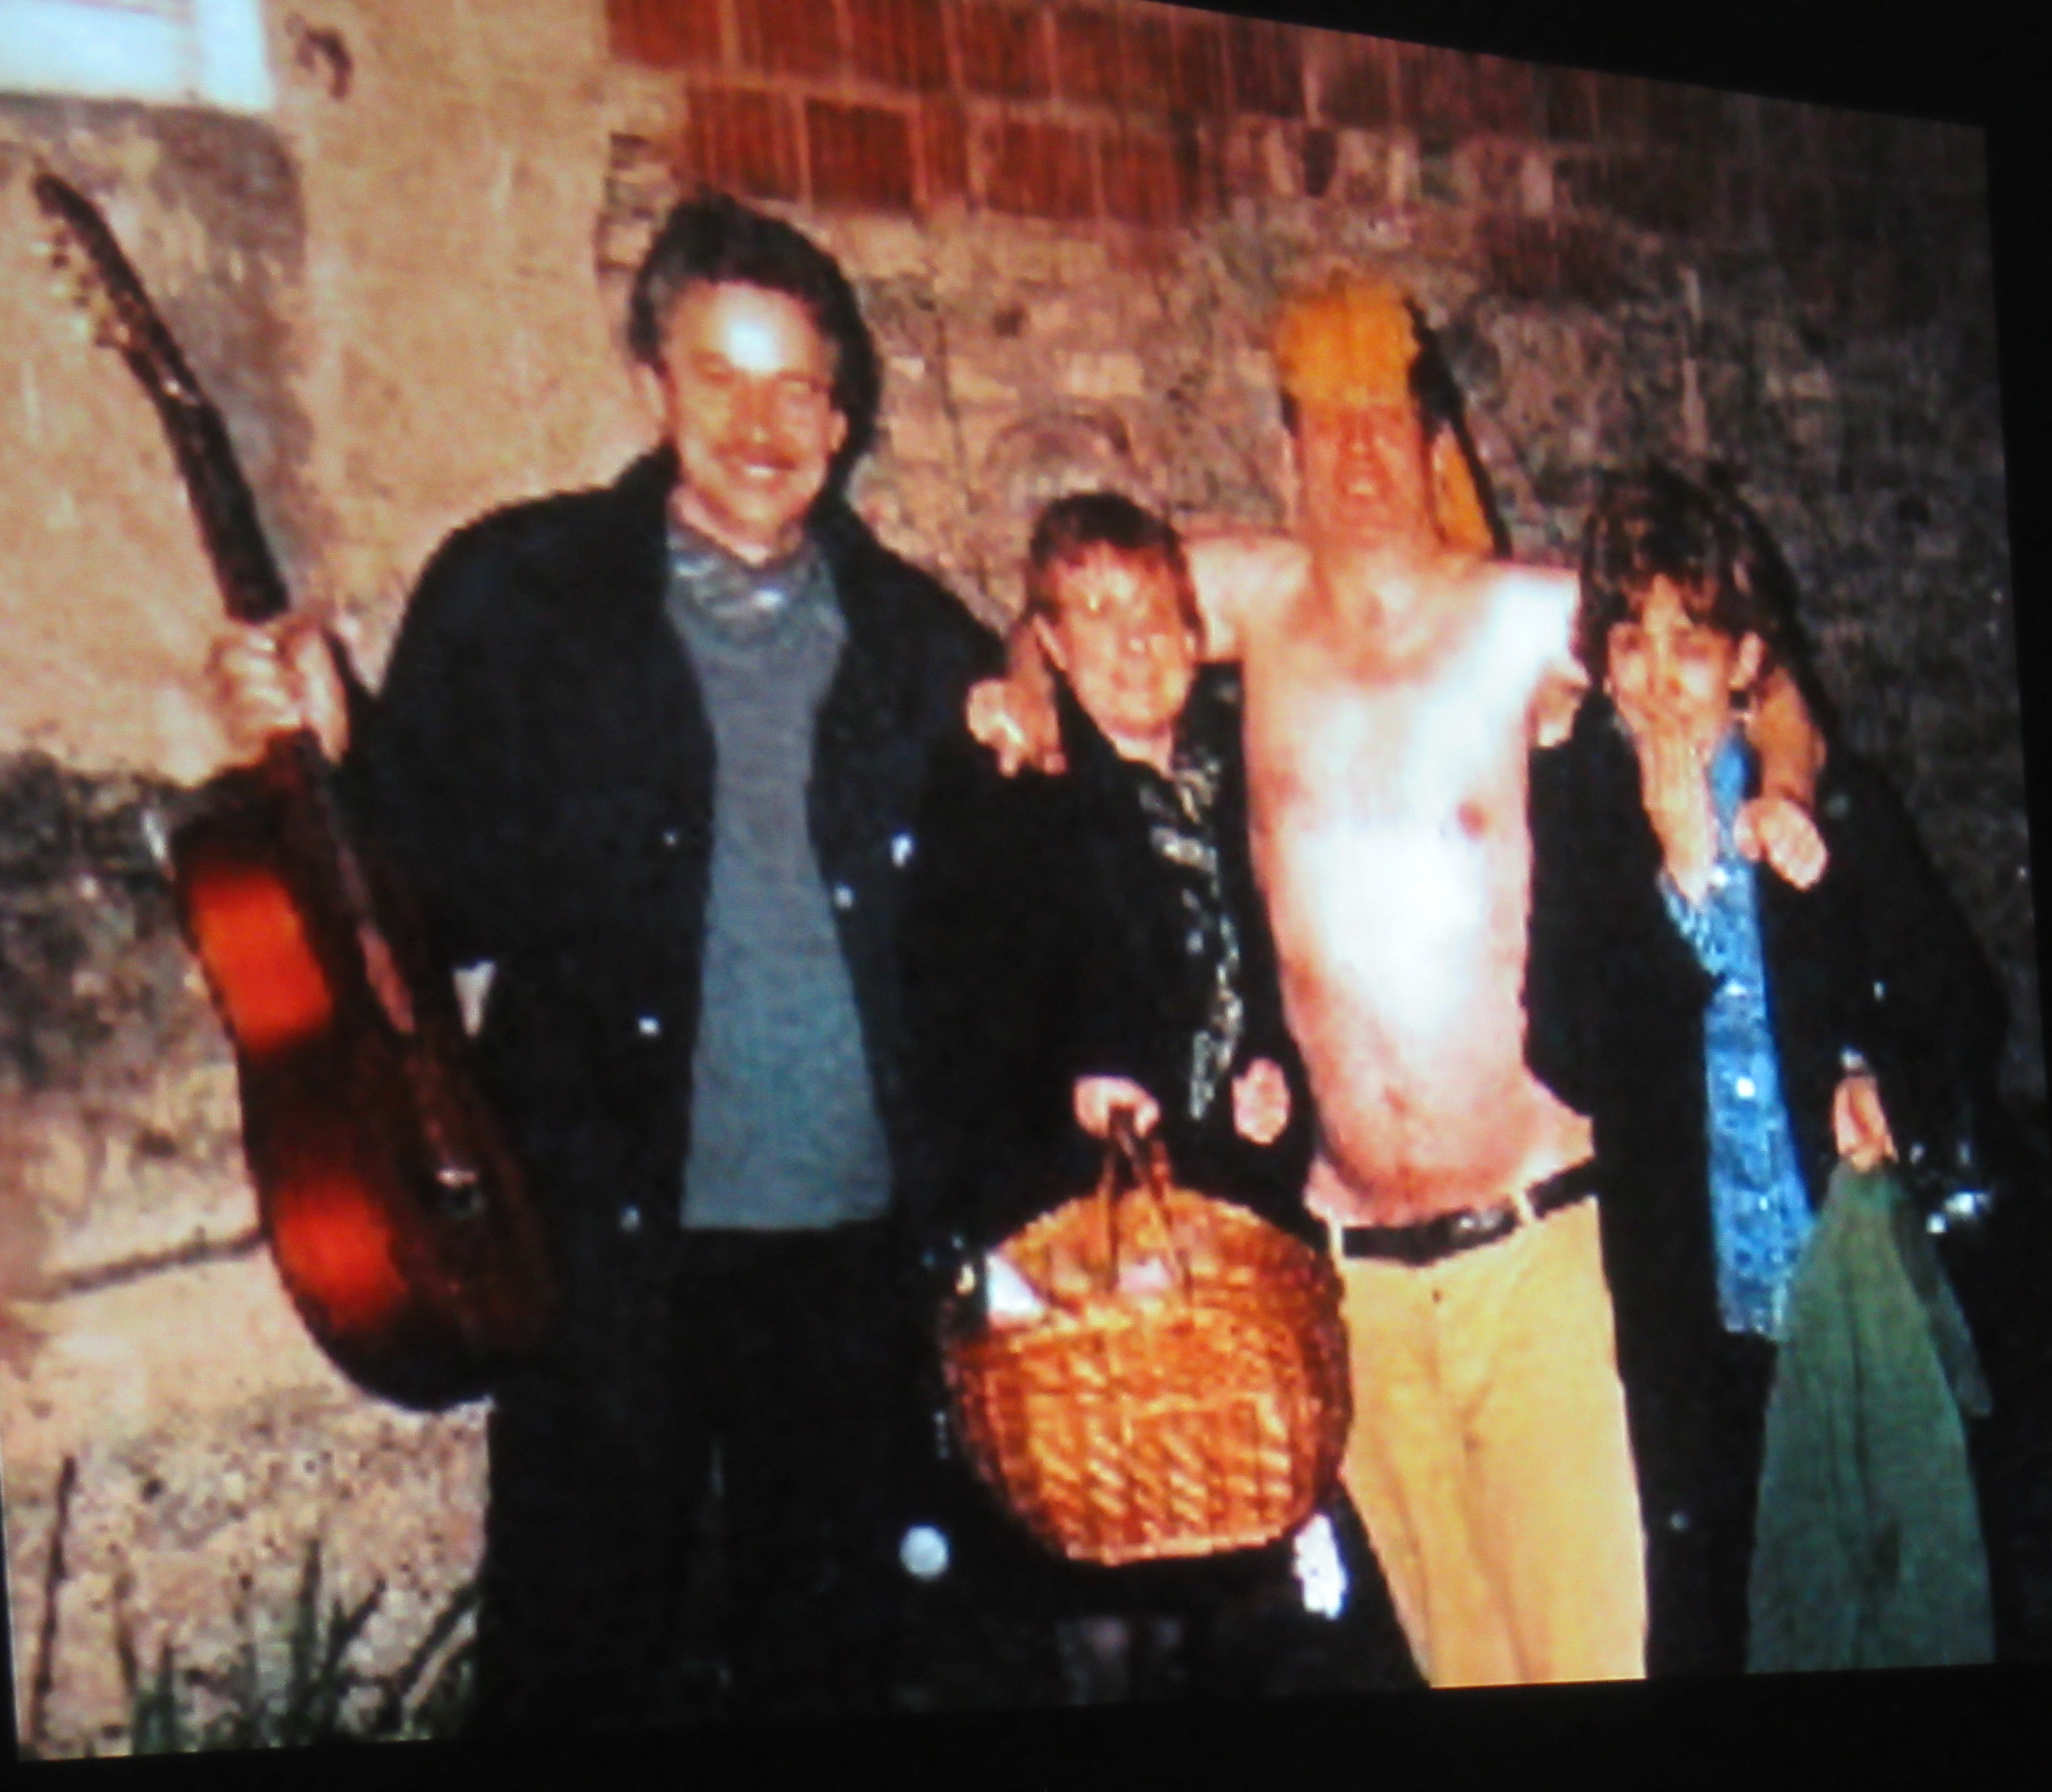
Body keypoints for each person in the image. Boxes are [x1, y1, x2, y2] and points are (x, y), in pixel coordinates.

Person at [204, 193, 1001, 1730]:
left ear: (841, 421)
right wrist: (331, 746)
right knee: (579, 1659)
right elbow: (425, 906)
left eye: (796, 389)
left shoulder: (924, 645)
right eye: (720, 377)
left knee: (829, 1666)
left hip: (850, 1263)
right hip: (602, 1250)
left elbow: (995, 937)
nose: (759, 427)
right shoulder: (517, 594)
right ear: (652, 384)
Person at [969, 273, 1829, 1688]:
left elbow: (1765, 668)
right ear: (1286, 451)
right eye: (1329, 424)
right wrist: (1022, 682)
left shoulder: (1524, 620)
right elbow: (1062, 600)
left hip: (1534, 1253)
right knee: (1457, 1667)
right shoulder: (1248, 598)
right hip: (1353, 1271)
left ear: (1439, 447)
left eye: (1388, 421)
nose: (1360, 454)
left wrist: (1780, 789)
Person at [905, 490, 1416, 1702]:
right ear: (1050, 641)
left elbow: (1292, 968)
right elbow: (949, 1009)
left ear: (1196, 636)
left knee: (1236, 1572)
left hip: (1221, 1244)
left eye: (1156, 615)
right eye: (1095, 614)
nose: (1134, 645)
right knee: (1105, 1585)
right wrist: (1068, 1082)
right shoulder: (1010, 785)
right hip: (1077, 1247)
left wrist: (1271, 1076)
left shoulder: (1241, 775)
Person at [1525, 461, 2007, 1674]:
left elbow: (1959, 1001)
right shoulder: (1585, 817)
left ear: (1747, 661)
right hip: (1692, 1313)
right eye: (1630, 642)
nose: (1657, 676)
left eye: (1691, 644)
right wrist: (1680, 884)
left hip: (1839, 1291)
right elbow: (1564, 1050)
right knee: (1714, 1616)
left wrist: (1884, 1084)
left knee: (1871, 1607)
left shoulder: (1828, 801)